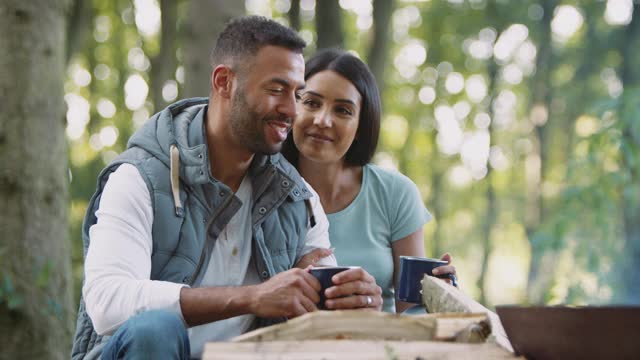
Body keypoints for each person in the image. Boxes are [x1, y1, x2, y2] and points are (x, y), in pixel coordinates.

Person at [71, 17, 382, 360]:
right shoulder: (139, 178)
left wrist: (354, 303)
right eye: (277, 90)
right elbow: (106, 302)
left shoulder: (298, 198)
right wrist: (252, 296)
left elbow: (323, 326)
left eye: (297, 94)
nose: (292, 110)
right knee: (155, 329)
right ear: (224, 82)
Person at [283, 49, 457, 314]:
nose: (322, 120)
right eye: (311, 102)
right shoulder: (261, 187)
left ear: (360, 127)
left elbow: (412, 312)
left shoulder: (395, 193)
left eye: (342, 110)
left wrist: (439, 297)